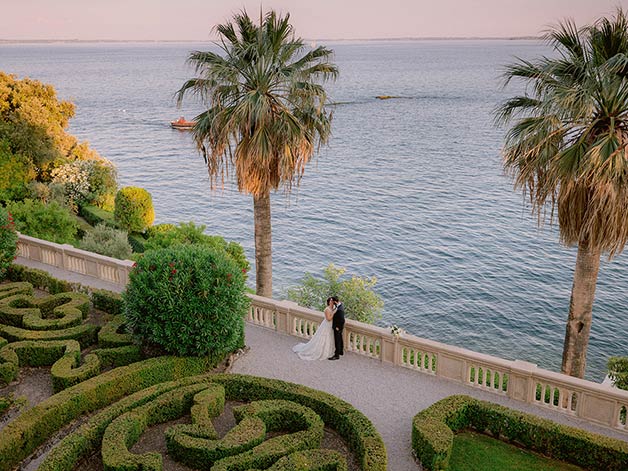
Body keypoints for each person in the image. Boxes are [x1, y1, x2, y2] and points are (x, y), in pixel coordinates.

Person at [328, 295, 345, 360]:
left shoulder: (340, 309)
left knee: (337, 340)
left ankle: (336, 355)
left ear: (335, 301)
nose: (331, 302)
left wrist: (338, 327)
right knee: (340, 339)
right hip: (339, 326)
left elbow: (341, 319)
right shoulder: (340, 305)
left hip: (338, 326)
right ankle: (341, 351)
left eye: (332, 301)